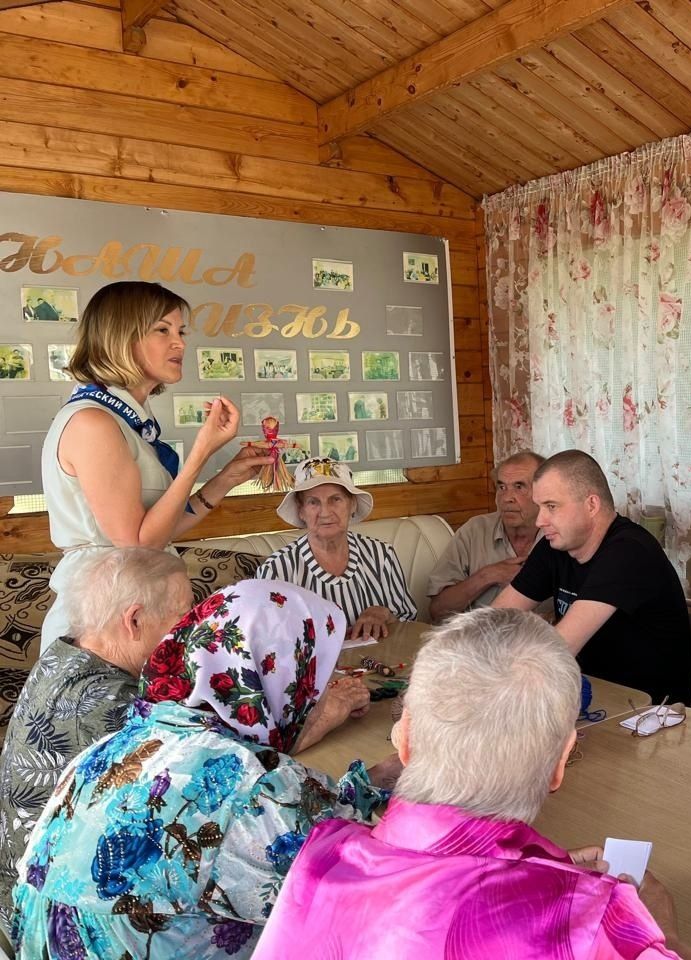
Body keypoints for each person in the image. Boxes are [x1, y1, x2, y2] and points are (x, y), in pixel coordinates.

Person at [254, 607, 691, 960]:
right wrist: (661, 938)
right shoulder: (591, 918)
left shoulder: (321, 856)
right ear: (558, 764)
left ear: (405, 739)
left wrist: (542, 870)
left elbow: (436, 891)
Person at [10, 580, 398, 959]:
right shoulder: (257, 785)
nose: (323, 688)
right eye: (318, 673)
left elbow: (301, 823)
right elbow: (371, 893)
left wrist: (373, 780)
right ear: (284, 675)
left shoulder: (124, 739)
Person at [39, 280, 271, 650]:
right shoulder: (93, 423)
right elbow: (137, 543)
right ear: (120, 338)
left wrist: (226, 477)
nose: (179, 343)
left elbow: (161, 530)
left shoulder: (127, 421)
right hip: (101, 622)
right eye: (162, 330)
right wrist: (200, 453)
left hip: (136, 609)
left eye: (180, 331)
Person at [0, 549, 193, 932]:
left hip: (32, 886)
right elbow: (204, 759)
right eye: (183, 614)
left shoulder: (68, 654)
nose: (191, 628)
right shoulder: (104, 703)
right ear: (134, 620)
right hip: (43, 919)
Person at [493, 450, 691, 704]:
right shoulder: (556, 544)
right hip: (590, 697)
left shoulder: (629, 552)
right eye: (539, 507)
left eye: (551, 507)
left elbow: (557, 651)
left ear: (591, 505)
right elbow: (494, 621)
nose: (540, 520)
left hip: (647, 714)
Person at [256, 458, 417, 638]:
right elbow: (268, 641)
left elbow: (409, 619)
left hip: (380, 663)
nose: (325, 512)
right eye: (313, 502)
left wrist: (384, 613)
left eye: (336, 499)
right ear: (301, 511)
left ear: (352, 505)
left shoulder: (381, 554)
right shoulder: (277, 570)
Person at [425, 450, 544, 620]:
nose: (506, 498)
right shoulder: (475, 530)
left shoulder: (560, 535)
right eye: (501, 487)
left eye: (519, 487)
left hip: (543, 642)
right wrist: (487, 575)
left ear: (545, 492)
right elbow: (438, 611)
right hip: (479, 640)